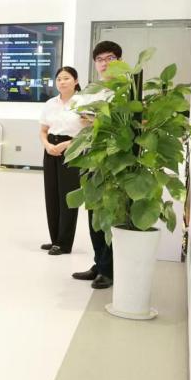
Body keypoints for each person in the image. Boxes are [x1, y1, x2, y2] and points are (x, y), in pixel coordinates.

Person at [71, 41, 122, 290]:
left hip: (114, 160)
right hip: (91, 157)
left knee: (110, 214)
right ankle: (99, 263)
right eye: (100, 59)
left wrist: (99, 122)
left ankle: (109, 269)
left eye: (110, 58)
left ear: (119, 60)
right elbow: (81, 120)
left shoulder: (126, 89)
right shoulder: (90, 91)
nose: (104, 63)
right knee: (93, 213)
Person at [39, 66, 83, 256]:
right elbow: (43, 130)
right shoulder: (50, 103)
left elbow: (88, 133)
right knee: (52, 195)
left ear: (76, 81)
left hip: (72, 149)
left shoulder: (83, 102)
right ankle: (55, 239)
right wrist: (47, 145)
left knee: (68, 196)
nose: (62, 82)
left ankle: (64, 243)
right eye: (59, 79)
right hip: (51, 149)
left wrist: (66, 145)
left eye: (66, 78)